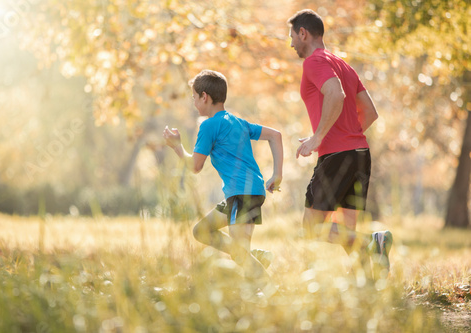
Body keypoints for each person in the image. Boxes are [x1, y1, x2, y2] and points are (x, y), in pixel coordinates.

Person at [287, 9, 392, 278]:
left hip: (337, 155)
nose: (291, 44)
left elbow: (335, 93)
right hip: (360, 154)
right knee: (346, 230)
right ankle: (369, 282)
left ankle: (373, 242)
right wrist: (348, 134)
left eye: (292, 37)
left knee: (311, 228)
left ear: (303, 33)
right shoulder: (343, 64)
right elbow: (370, 112)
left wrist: (319, 137)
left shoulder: (314, 62)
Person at [163, 69, 283, 295]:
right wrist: (278, 174)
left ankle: (271, 291)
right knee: (202, 231)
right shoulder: (238, 122)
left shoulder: (208, 126)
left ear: (204, 97)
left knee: (239, 254)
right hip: (244, 192)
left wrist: (176, 146)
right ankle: (254, 259)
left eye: (194, 97)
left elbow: (195, 167)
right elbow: (275, 135)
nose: (194, 102)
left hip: (242, 193)